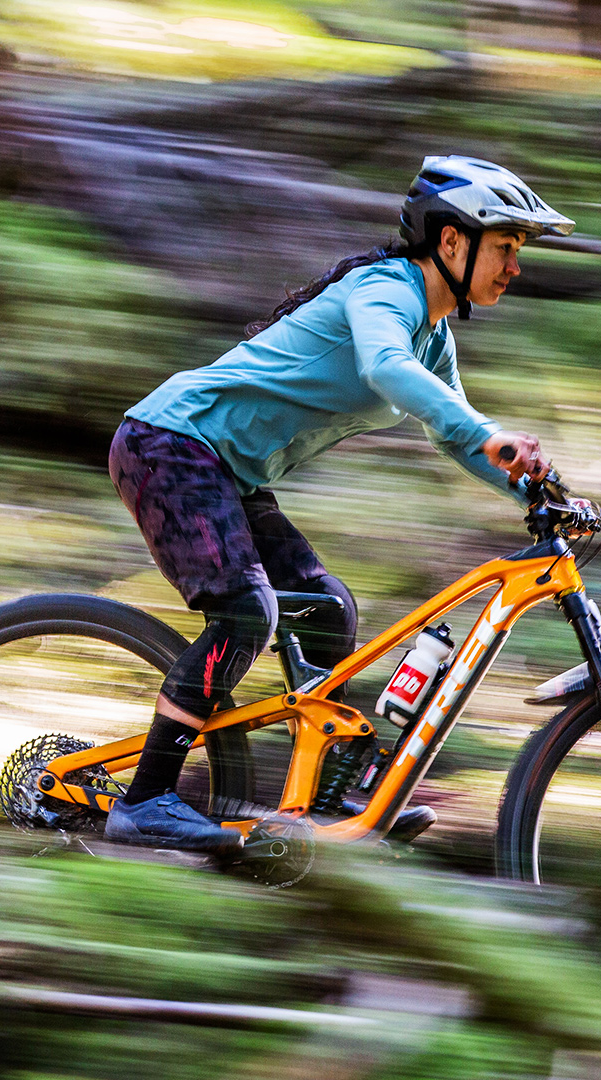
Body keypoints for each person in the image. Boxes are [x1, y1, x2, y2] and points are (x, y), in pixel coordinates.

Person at [105, 156, 575, 853]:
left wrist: (538, 491)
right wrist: (491, 434)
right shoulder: (384, 292)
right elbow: (385, 369)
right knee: (246, 614)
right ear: (451, 242)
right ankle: (145, 800)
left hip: (225, 470)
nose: (514, 266)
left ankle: (329, 793)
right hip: (170, 444)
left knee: (328, 611)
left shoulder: (433, 333)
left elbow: (455, 435)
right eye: (505, 247)